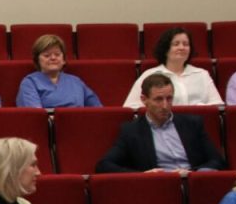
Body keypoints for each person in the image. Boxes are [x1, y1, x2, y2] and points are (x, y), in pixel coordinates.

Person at [96, 75, 226, 174]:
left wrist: (194, 174)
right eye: (158, 99)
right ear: (144, 100)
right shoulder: (131, 131)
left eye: (169, 98)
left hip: (194, 184)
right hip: (156, 188)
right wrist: (142, 176)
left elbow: (217, 161)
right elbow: (104, 165)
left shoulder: (192, 124)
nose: (165, 105)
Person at [122, 26, 223, 108]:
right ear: (166, 48)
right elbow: (132, 107)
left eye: (186, 44)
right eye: (176, 44)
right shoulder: (150, 75)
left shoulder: (202, 74)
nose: (182, 47)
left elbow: (218, 106)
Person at [15, 34, 102, 108]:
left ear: (63, 59)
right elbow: (34, 117)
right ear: (37, 60)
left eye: (57, 54)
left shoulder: (76, 81)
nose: (53, 58)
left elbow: (98, 110)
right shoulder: (30, 82)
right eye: (47, 55)